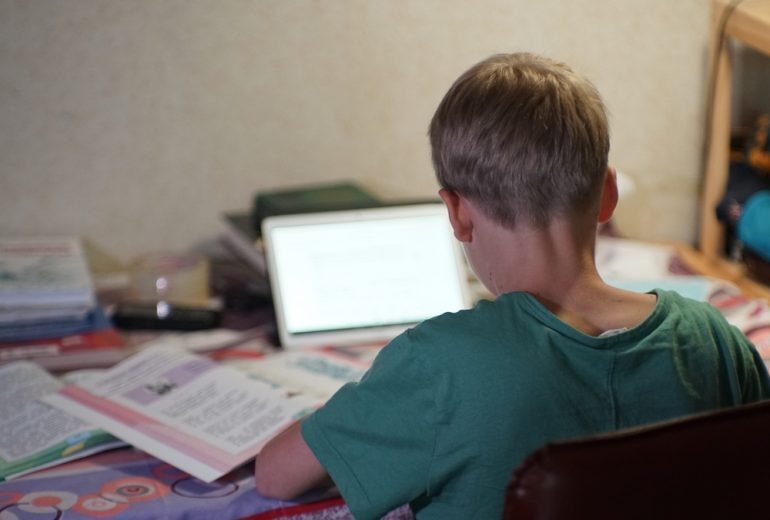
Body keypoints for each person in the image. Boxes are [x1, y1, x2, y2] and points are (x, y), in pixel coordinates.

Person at [254, 52, 770, 518]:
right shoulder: (714, 338)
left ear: (457, 213)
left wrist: (364, 407)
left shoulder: (438, 365)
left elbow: (274, 476)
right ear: (608, 195)